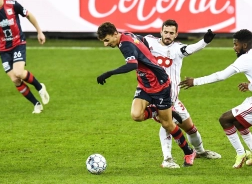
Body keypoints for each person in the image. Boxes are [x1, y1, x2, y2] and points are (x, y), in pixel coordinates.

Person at [96, 21, 196, 167]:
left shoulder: (126, 45)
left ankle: (188, 152)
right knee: (136, 115)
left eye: (106, 40)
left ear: (114, 34)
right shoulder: (127, 35)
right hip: (144, 84)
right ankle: (157, 110)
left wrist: (108, 73)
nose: (105, 44)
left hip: (160, 84)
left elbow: (132, 65)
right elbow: (141, 41)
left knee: (167, 123)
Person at [140, 19, 221, 169]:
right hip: (156, 96)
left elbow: (191, 49)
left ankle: (200, 151)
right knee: (167, 124)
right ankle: (167, 159)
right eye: (166, 32)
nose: (168, 35)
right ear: (161, 31)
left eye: (171, 33)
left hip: (174, 99)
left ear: (176, 34)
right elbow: (133, 41)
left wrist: (204, 41)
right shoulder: (149, 42)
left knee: (190, 128)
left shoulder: (178, 49)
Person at [179, 29, 252, 168]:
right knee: (238, 122)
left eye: (236, 44)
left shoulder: (246, 58)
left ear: (244, 45)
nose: (234, 47)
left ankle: (240, 153)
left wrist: (195, 82)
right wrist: (250, 86)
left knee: (225, 119)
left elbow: (221, 76)